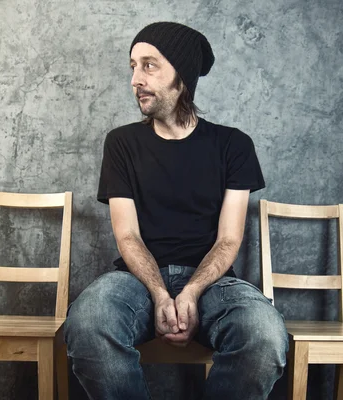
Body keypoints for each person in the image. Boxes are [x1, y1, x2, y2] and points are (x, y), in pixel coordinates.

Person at [64, 22, 288, 400]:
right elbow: (127, 235)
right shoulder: (122, 143)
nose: (136, 78)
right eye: (133, 66)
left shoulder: (233, 145)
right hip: (136, 279)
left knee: (264, 336)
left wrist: (192, 292)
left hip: (215, 283)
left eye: (149, 65)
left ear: (181, 77)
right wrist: (159, 293)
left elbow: (230, 238)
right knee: (88, 323)